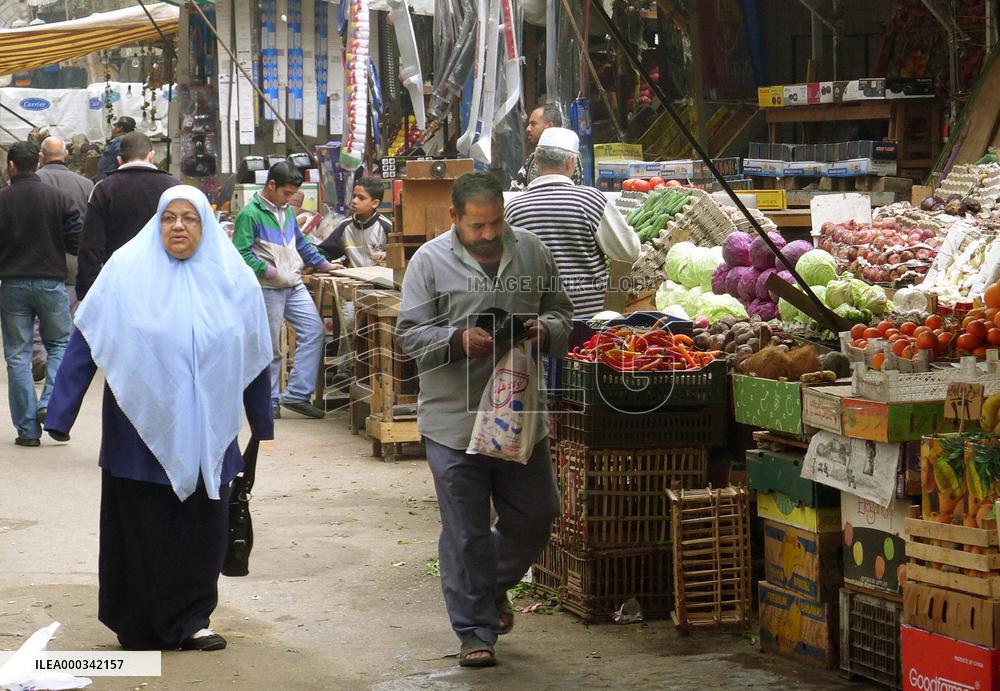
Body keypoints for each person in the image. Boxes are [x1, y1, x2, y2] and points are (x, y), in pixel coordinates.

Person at [44, 186, 273, 652]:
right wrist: (61, 412)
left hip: (209, 430)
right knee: (144, 527)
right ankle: (138, 623)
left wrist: (260, 420)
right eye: (170, 218)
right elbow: (88, 337)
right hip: (138, 428)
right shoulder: (125, 272)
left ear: (205, 225)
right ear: (157, 224)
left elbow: (252, 353)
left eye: (190, 218)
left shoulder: (234, 280)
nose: (179, 226)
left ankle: (193, 620)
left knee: (200, 527)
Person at [396, 172, 573, 667]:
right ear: (454, 217)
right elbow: (408, 333)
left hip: (519, 417)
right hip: (453, 421)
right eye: (478, 226)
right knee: (466, 531)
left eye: (496, 222)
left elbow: (562, 311)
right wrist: (457, 341)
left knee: (537, 513)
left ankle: (490, 586)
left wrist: (544, 330)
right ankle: (475, 631)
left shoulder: (532, 252)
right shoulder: (429, 261)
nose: (489, 233)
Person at [233, 161, 338, 419]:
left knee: (314, 331)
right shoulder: (250, 214)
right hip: (267, 287)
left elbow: (301, 243)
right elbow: (240, 253)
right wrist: (268, 271)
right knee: (271, 347)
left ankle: (297, 394)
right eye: (286, 193)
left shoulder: (287, 212)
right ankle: (269, 401)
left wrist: (323, 264)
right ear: (271, 185)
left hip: (293, 284)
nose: (289, 199)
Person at [504, 127, 640, 319]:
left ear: (536, 160)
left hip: (537, 327)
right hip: (588, 325)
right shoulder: (590, 200)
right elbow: (629, 252)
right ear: (571, 162)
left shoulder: (514, 209)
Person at [0, 140, 81, 446]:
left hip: (12, 284)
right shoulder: (58, 198)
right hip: (52, 281)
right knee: (59, 344)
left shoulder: (2, 199)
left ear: (11, 166)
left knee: (17, 356)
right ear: (37, 164)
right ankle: (49, 402)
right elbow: (75, 241)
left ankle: (27, 431)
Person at [76, 131, 180, 300]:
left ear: (119, 160)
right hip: (164, 281)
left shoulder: (104, 189)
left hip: (118, 283)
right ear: (151, 156)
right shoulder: (173, 187)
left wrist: (86, 291)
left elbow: (91, 245)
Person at [37, 135, 94, 310]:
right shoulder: (86, 185)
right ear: (66, 154)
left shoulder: (32, 183)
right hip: (73, 266)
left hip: (38, 265)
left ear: (41, 156)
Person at [318, 177, 391, 268]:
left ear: (375, 203)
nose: (354, 201)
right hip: (352, 276)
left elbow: (403, 254)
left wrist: (388, 254)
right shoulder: (345, 226)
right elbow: (325, 252)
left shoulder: (387, 227)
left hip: (380, 276)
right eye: (354, 196)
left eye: (361, 198)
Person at [509, 104, 583, 191]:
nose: (528, 129)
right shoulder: (532, 158)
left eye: (533, 124)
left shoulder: (570, 156)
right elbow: (515, 189)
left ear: (550, 126)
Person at [96, 116, 136, 180]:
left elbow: (122, 159)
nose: (113, 130)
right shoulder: (126, 141)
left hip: (112, 181)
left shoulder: (120, 142)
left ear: (120, 128)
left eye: (115, 127)